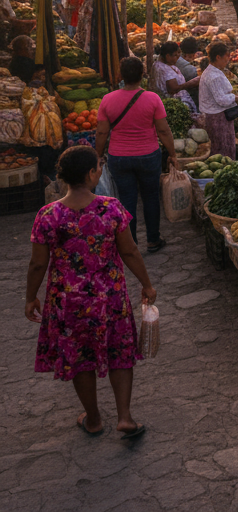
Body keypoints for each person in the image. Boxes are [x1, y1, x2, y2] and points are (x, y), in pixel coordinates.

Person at [24, 145, 155, 439]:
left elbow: (37, 264)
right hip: (109, 298)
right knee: (120, 353)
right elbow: (130, 251)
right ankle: (125, 418)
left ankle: (93, 420)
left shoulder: (48, 215)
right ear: (91, 173)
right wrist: (147, 284)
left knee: (79, 357)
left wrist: (31, 296)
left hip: (68, 302)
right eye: (98, 166)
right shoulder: (111, 208)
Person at [94, 57, 177, 254]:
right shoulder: (152, 99)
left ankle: (129, 245)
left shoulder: (108, 100)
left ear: (121, 76)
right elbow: (164, 131)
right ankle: (153, 240)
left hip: (119, 157)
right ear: (142, 75)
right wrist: (172, 153)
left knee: (127, 199)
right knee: (150, 197)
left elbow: (101, 132)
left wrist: (98, 155)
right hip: (148, 155)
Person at [199, 41, 238, 158]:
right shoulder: (213, 76)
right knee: (223, 150)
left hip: (216, 116)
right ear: (218, 57)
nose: (228, 60)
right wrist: (237, 98)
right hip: (218, 118)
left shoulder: (212, 71)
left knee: (220, 148)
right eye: (227, 57)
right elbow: (221, 100)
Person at [152, 41, 198, 110]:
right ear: (167, 56)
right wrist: (191, 83)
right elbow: (173, 89)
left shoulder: (159, 64)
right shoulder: (164, 69)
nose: (177, 58)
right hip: (178, 104)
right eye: (175, 55)